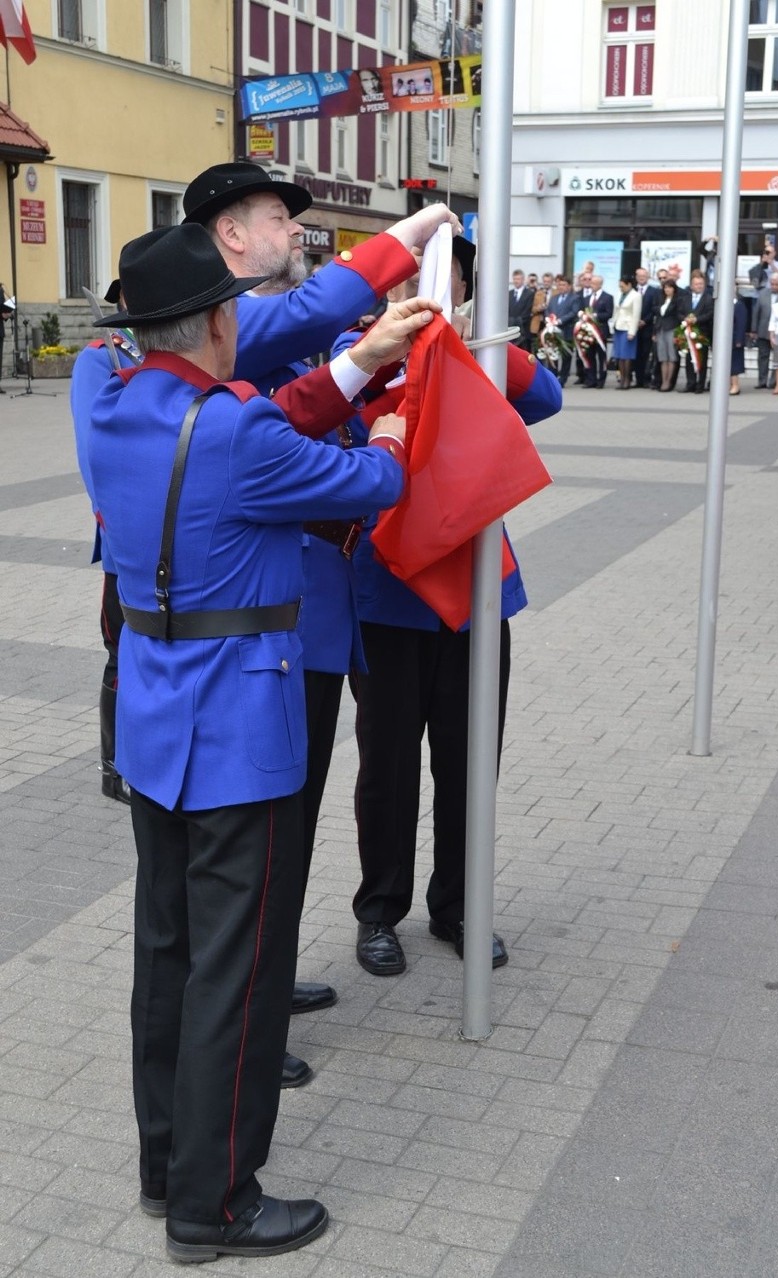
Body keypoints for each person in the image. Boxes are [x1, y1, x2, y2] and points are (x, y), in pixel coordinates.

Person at [87, 223, 436, 1262]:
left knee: (168, 956)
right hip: (243, 728)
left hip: (155, 721)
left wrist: (351, 360)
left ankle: (167, 1169)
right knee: (237, 975)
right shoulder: (236, 431)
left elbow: (254, 423)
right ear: (222, 321)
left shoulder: (101, 398)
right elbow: (373, 486)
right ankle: (218, 1204)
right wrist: (391, 417)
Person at [182, 160, 460, 1086]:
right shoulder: (227, 321)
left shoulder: (263, 330)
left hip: (316, 615)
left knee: (288, 825)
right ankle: (248, 1015)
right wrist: (406, 241)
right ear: (229, 234)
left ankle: (266, 982)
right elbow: (309, 360)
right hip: (270, 621)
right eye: (276, 217)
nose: (295, 233)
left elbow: (314, 387)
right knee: (266, 827)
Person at [331, 242, 562, 978]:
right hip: (389, 592)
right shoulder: (357, 348)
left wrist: (470, 342)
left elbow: (547, 398)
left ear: (462, 282)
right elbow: (351, 404)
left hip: (474, 592)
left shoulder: (479, 352)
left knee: (469, 761)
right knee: (387, 768)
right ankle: (380, 912)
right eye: (402, 273)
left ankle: (460, 907)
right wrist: (403, 352)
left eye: (437, 273)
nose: (417, 284)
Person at [70, 282, 143, 803]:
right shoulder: (101, 358)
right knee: (122, 653)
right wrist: (117, 525)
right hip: (127, 542)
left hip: (173, 537)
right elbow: (95, 453)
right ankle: (114, 766)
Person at [679, 270, 714, 394]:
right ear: (691, 285)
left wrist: (696, 319)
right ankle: (690, 383)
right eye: (696, 284)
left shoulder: (709, 299)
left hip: (702, 334)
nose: (699, 286)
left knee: (701, 360)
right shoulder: (685, 298)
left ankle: (700, 385)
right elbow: (679, 312)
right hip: (687, 334)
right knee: (689, 360)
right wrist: (685, 319)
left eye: (701, 284)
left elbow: (710, 314)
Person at [749, 271, 778, 389]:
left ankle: (773, 382)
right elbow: (756, 312)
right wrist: (753, 330)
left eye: (776, 284)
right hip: (763, 330)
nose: (774, 286)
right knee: (762, 357)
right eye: (772, 283)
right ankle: (762, 381)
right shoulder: (763, 293)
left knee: (777, 358)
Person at [652, 277, 683, 392]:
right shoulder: (661, 300)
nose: (667, 290)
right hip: (661, 329)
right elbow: (657, 316)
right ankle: (663, 381)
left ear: (674, 289)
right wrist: (654, 332)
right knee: (662, 357)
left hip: (672, 329)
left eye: (669, 287)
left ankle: (669, 381)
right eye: (665, 287)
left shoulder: (677, 300)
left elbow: (678, 316)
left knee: (671, 356)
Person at [612, 275, 641, 389]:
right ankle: (622, 379)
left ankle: (627, 379)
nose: (621, 288)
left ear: (629, 285)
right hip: (618, 326)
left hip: (628, 328)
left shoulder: (636, 296)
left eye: (623, 286)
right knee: (619, 355)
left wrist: (632, 331)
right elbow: (616, 310)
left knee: (627, 356)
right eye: (619, 286)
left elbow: (636, 314)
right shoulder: (619, 294)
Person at [584, 275, 613, 388]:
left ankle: (601, 380)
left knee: (601, 357)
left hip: (601, 332)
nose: (592, 285)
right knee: (590, 356)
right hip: (588, 332)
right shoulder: (587, 298)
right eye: (591, 283)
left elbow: (609, 314)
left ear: (600, 284)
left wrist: (595, 316)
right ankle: (591, 380)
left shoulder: (607, 297)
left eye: (595, 283)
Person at [633, 267, 656, 388]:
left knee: (646, 354)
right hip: (633, 328)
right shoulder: (632, 290)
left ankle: (646, 379)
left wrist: (644, 321)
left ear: (648, 277)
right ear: (636, 277)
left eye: (644, 276)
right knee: (636, 354)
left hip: (647, 327)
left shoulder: (654, 291)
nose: (641, 278)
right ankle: (638, 379)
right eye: (639, 276)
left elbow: (654, 309)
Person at [508, 269, 534, 351]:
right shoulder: (509, 294)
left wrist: (518, 321)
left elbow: (528, 311)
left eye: (518, 279)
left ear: (523, 279)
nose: (516, 281)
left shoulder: (529, 293)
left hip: (524, 331)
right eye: (515, 279)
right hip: (511, 331)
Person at [729, 293, 749, 395]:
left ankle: (735, 385)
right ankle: (729, 384)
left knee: (734, 364)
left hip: (735, 339)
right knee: (727, 364)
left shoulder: (739, 305)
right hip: (726, 339)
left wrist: (739, 340)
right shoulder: (724, 304)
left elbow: (741, 324)